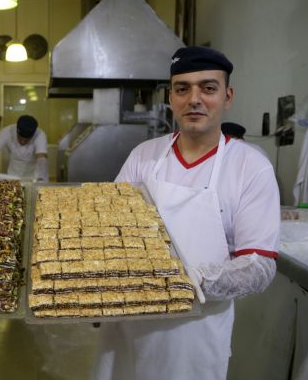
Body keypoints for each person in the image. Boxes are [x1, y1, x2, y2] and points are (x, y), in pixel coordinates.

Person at [94, 46, 280, 380]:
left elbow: (259, 266)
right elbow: (110, 230)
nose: (194, 99)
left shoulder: (250, 167)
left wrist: (194, 279)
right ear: (171, 97)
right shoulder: (144, 156)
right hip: (128, 325)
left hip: (195, 335)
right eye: (182, 89)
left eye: (208, 88)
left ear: (227, 96)